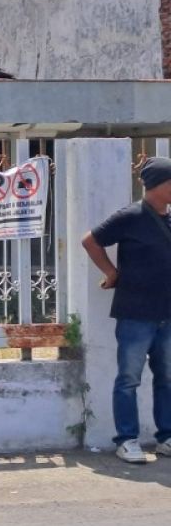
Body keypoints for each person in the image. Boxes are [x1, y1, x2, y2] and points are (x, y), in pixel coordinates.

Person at [82, 156, 171, 464]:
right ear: (157, 185)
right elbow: (91, 241)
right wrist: (111, 273)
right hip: (135, 313)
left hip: (167, 314)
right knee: (129, 378)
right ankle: (127, 439)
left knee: (167, 377)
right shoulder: (131, 216)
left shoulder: (169, 218)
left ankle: (166, 437)